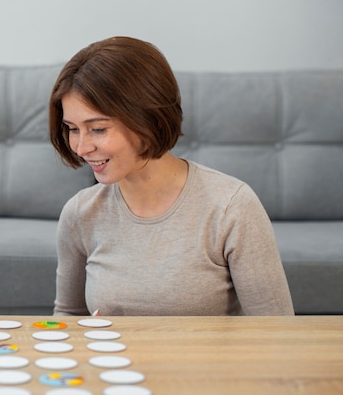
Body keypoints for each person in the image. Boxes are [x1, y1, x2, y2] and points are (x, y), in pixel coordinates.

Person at [49, 36, 294, 316]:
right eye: (72, 128)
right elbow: (69, 316)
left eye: (99, 129)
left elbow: (277, 330)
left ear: (146, 119)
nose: (81, 147)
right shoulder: (80, 213)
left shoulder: (231, 207)